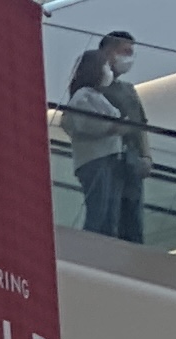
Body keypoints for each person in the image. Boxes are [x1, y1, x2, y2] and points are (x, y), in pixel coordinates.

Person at [64, 42, 142, 244]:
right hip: (96, 160)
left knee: (110, 213)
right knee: (99, 212)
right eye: (105, 66)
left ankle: (104, 247)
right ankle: (89, 247)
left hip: (109, 158)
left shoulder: (95, 95)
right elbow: (87, 124)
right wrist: (116, 128)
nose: (109, 71)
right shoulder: (83, 96)